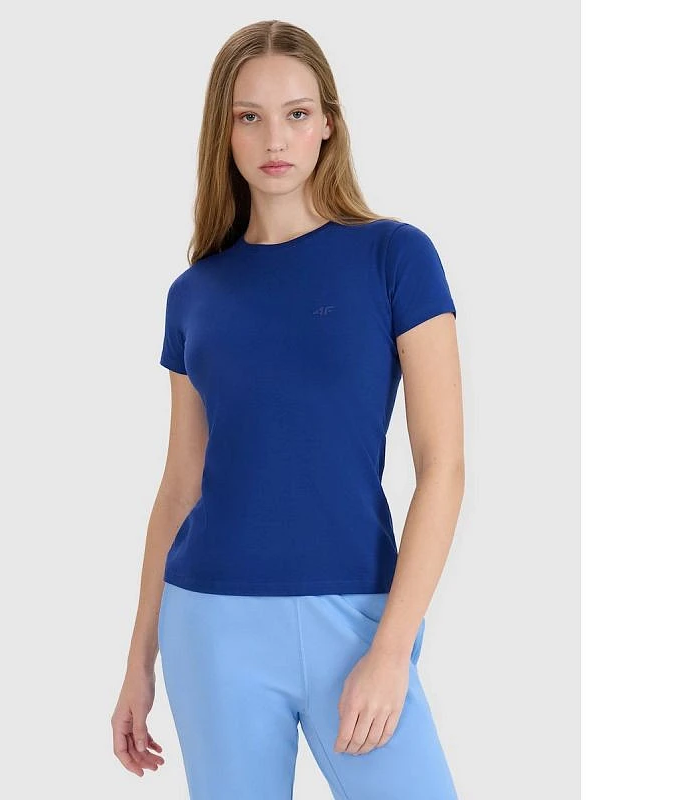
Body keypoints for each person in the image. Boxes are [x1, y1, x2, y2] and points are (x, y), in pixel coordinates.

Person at [111, 19, 465, 800]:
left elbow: (443, 468)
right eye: (250, 116)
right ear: (225, 130)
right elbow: (179, 487)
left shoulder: (396, 257)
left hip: (357, 619)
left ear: (328, 123)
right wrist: (139, 662)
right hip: (211, 623)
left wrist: (392, 650)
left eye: (297, 113)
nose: (275, 138)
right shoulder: (194, 293)